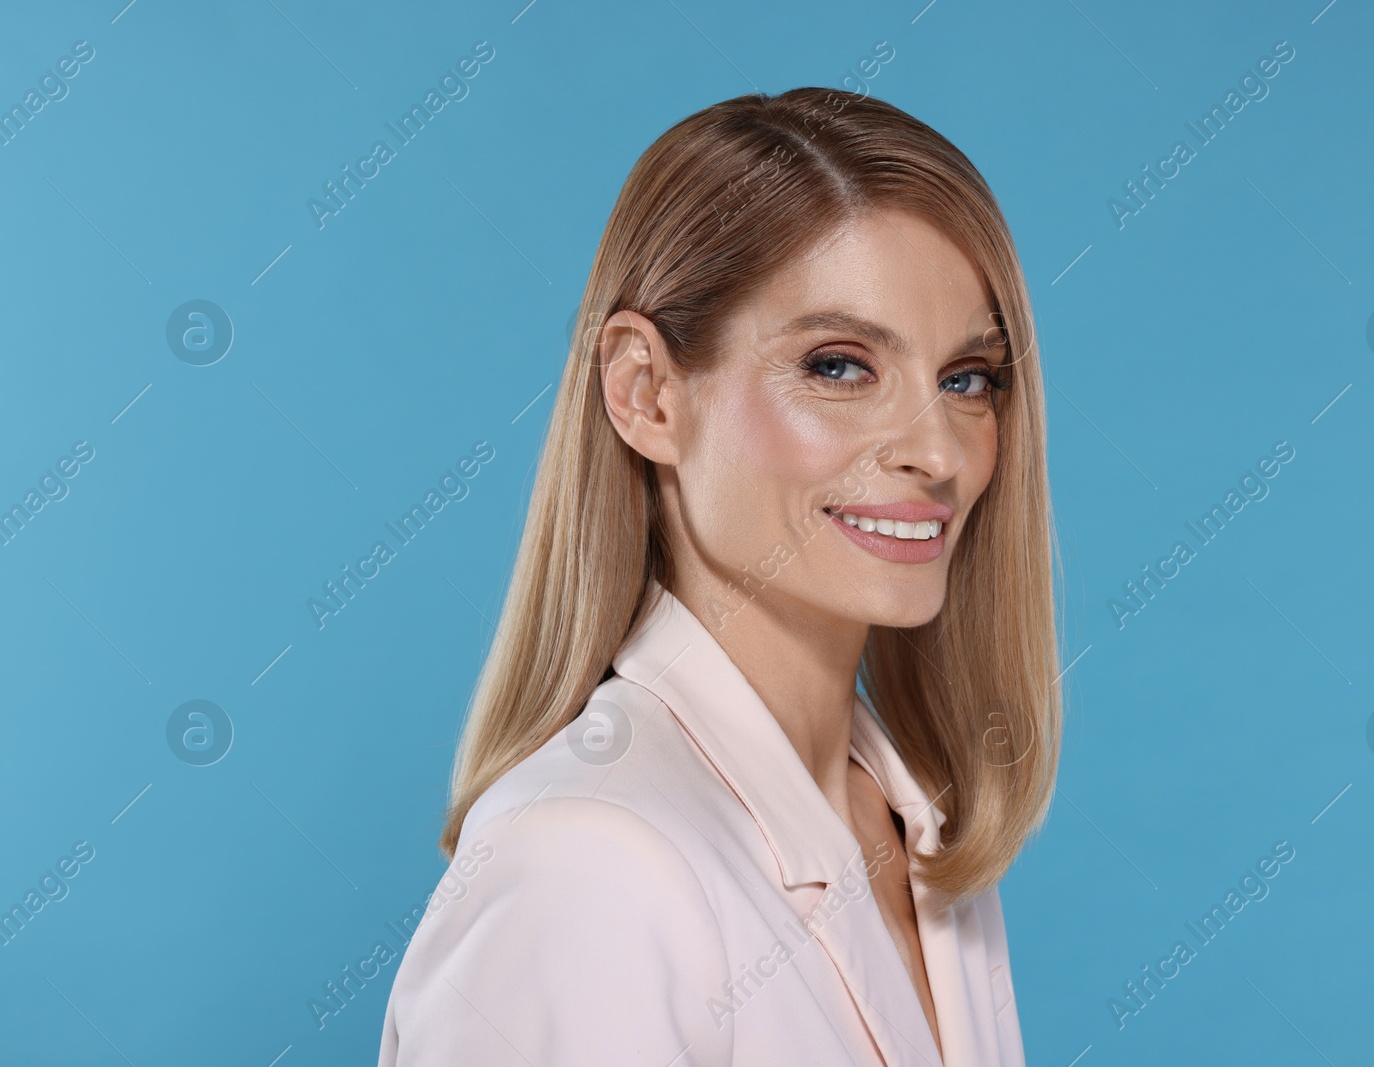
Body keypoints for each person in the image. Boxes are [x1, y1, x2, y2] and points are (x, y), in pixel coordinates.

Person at [377, 85, 1061, 1066]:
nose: (938, 452)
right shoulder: (588, 863)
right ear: (645, 393)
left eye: (967, 380)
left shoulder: (915, 824)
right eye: (838, 364)